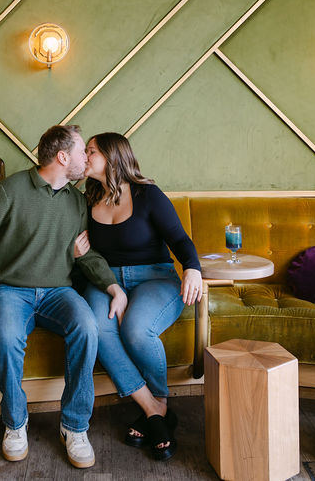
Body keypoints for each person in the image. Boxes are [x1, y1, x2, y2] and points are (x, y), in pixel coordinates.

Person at [0, 124, 127, 469]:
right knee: (5, 336)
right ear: (62, 157)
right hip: (12, 290)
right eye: (80, 152)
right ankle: (15, 423)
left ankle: (74, 426)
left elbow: (85, 254)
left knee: (87, 327)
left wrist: (112, 286)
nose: (84, 159)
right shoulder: (9, 190)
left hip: (59, 291)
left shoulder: (77, 202)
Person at [75, 132, 202, 460]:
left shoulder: (148, 195)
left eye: (91, 151)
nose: (84, 156)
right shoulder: (87, 197)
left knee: (135, 328)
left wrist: (193, 268)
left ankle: (158, 401)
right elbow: (82, 252)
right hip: (106, 282)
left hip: (155, 277)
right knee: (96, 328)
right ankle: (154, 409)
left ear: (112, 157)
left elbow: (180, 239)